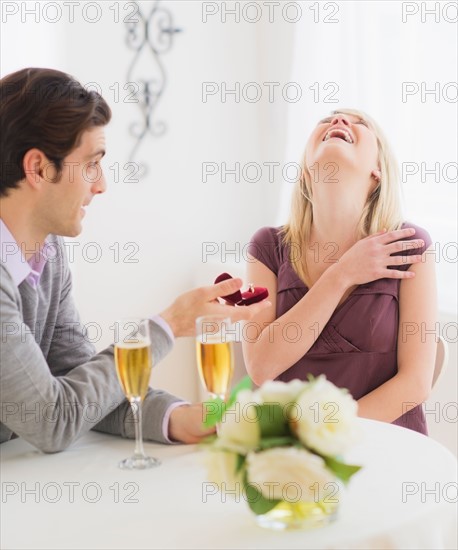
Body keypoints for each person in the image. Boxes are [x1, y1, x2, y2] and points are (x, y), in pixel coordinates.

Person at [0, 67, 270, 453]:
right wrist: (169, 324)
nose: (101, 184)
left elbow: (79, 383)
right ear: (39, 168)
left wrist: (174, 417)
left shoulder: (48, 255)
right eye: (92, 163)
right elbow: (52, 421)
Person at [243, 109, 437, 434]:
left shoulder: (410, 246)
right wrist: (342, 274)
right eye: (327, 119)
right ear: (305, 170)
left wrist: (327, 436)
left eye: (359, 123)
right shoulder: (266, 248)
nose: (339, 122)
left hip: (388, 448)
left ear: (378, 171)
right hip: (295, 462)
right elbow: (261, 367)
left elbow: (415, 383)